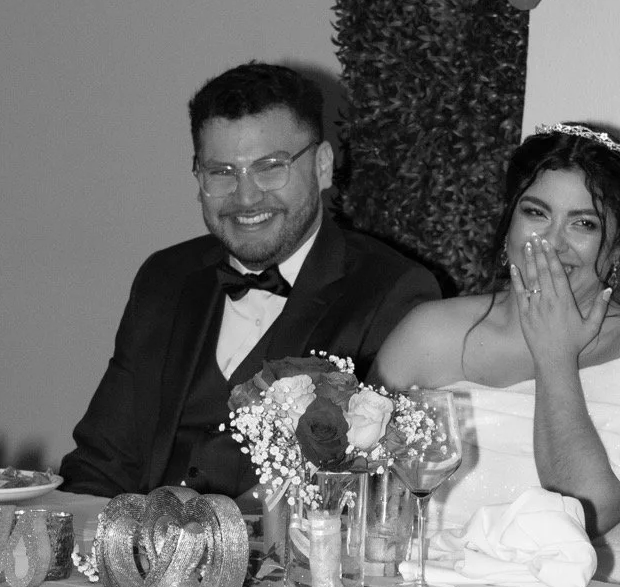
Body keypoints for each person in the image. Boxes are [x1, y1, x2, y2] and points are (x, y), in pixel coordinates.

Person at [60, 62, 440, 500]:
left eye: (270, 167)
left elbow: (374, 493)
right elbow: (100, 462)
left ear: (322, 166)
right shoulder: (165, 278)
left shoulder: (393, 292)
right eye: (222, 172)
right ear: (198, 177)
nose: (245, 197)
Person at [374, 124, 620, 584]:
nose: (552, 242)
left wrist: (555, 356)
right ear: (508, 225)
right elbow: (354, 483)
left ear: (617, 249)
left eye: (584, 223)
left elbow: (585, 512)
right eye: (537, 213)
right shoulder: (429, 330)